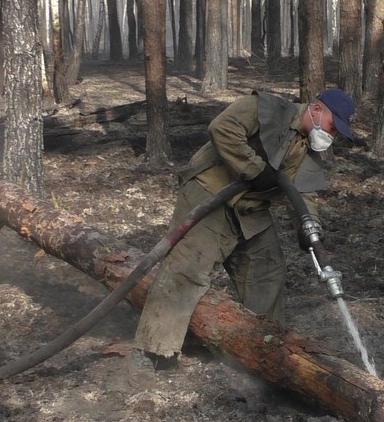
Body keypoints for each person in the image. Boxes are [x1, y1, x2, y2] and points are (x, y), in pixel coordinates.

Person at [127, 89, 356, 388]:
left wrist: (309, 224)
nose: (333, 134)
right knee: (186, 271)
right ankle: (150, 351)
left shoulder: (307, 149)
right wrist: (253, 168)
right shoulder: (266, 108)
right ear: (315, 109)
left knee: (267, 272)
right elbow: (222, 128)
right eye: (332, 125)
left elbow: (305, 194)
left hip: (251, 207)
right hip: (210, 194)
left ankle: (265, 350)